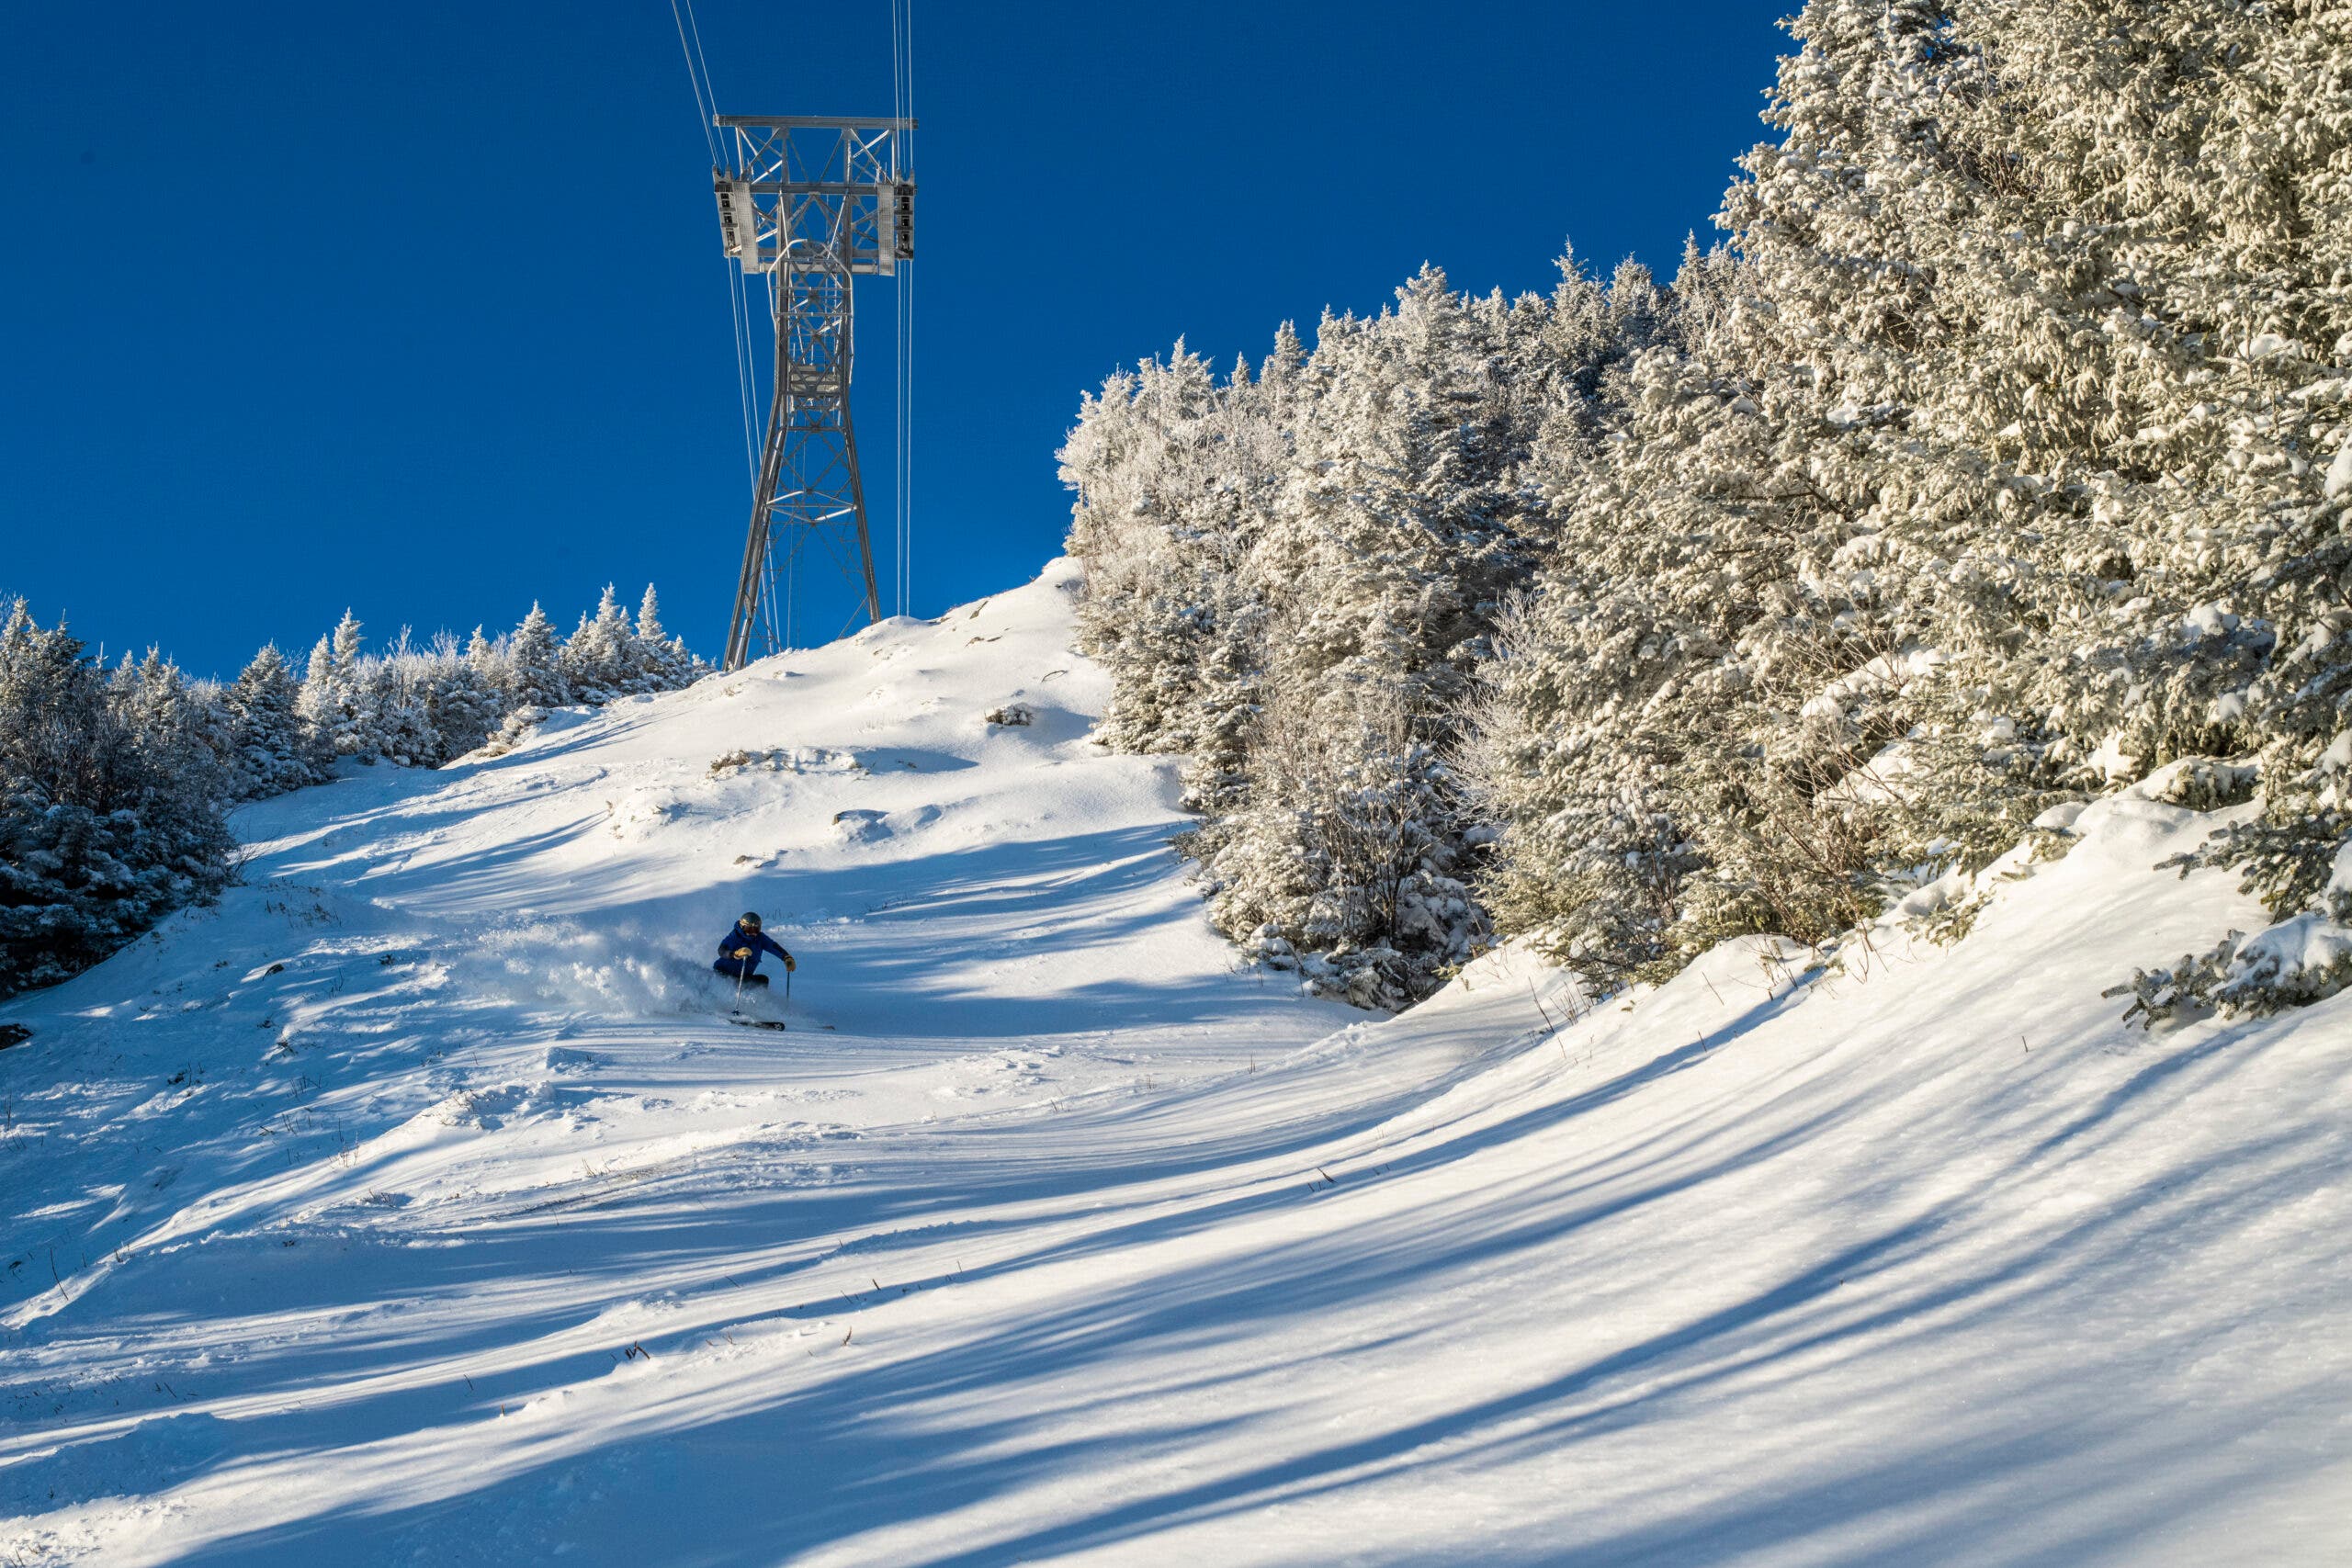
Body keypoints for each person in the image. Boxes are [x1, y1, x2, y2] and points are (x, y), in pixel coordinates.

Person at [714, 911, 795, 987]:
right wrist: (734, 954)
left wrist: (786, 957)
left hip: (742, 976)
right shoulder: (735, 937)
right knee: (737, 984)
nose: (753, 933)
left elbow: (773, 946)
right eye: (749, 929)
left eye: (756, 929)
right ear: (742, 927)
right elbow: (721, 950)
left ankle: (759, 1000)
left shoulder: (760, 939)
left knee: (763, 980)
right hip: (723, 973)